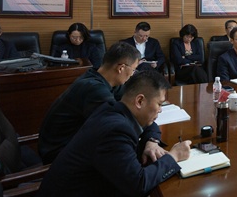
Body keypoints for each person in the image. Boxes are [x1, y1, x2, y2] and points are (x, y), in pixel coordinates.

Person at [20, 70, 190, 197]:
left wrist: (151, 142)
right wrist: (173, 157)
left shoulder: (113, 109)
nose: (160, 111)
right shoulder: (115, 130)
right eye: (159, 104)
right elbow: (138, 184)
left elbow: (150, 124)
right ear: (139, 101)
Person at [38, 42, 166, 165]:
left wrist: (152, 140)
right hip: (59, 153)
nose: (132, 75)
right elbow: (122, 125)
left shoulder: (105, 79)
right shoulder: (93, 89)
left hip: (76, 144)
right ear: (121, 68)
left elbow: (136, 113)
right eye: (133, 70)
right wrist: (149, 138)